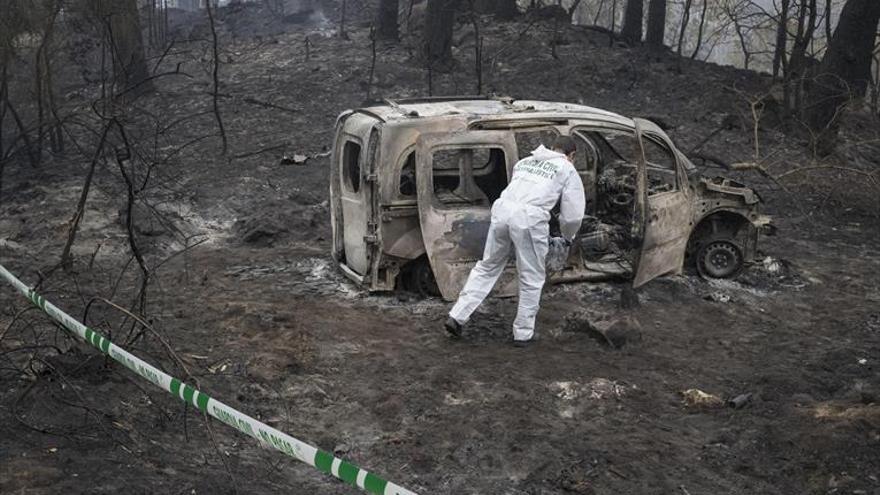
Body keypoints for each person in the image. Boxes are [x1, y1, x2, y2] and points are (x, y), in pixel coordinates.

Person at [444, 136, 586, 345]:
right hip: (529, 218)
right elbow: (573, 215)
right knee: (531, 277)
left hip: (502, 211)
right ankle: (523, 334)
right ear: (571, 155)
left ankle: (456, 316)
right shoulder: (566, 168)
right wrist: (566, 237)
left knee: (487, 266)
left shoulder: (526, 161)